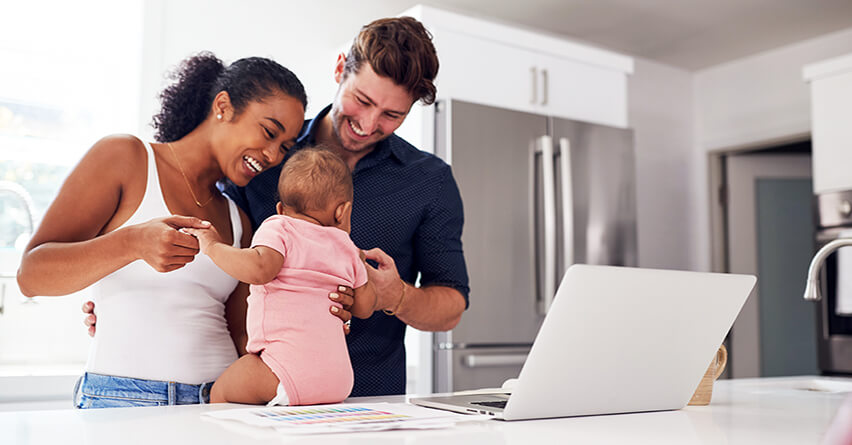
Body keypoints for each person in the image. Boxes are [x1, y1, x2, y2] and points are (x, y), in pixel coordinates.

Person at [17, 52, 310, 408]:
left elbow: (243, 334)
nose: (273, 155)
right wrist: (133, 242)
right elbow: (31, 276)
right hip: (123, 403)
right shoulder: (126, 159)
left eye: (284, 147)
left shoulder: (238, 221)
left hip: (218, 405)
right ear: (223, 106)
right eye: (269, 132)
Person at [225, 17, 470, 397]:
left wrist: (394, 296)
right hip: (263, 396)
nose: (368, 124)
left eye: (392, 115)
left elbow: (451, 305)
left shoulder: (429, 181)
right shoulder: (267, 153)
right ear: (340, 68)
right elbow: (210, 245)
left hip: (372, 401)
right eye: (363, 100)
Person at [184, 147, 377, 406]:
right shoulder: (348, 249)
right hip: (339, 382)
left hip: (283, 372)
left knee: (221, 392)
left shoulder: (280, 227)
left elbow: (260, 269)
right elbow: (364, 307)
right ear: (343, 211)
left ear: (280, 208)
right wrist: (360, 267)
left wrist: (213, 247)